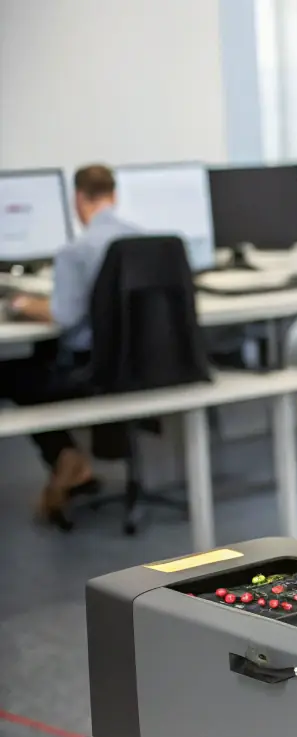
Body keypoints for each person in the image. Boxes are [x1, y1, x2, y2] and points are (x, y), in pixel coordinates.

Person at [0, 164, 138, 521]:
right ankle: (73, 464)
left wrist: (21, 304)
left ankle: (65, 456)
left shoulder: (75, 251)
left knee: (12, 375)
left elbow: (64, 315)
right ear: (114, 195)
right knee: (44, 356)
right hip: (135, 368)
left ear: (78, 199)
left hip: (90, 372)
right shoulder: (144, 242)